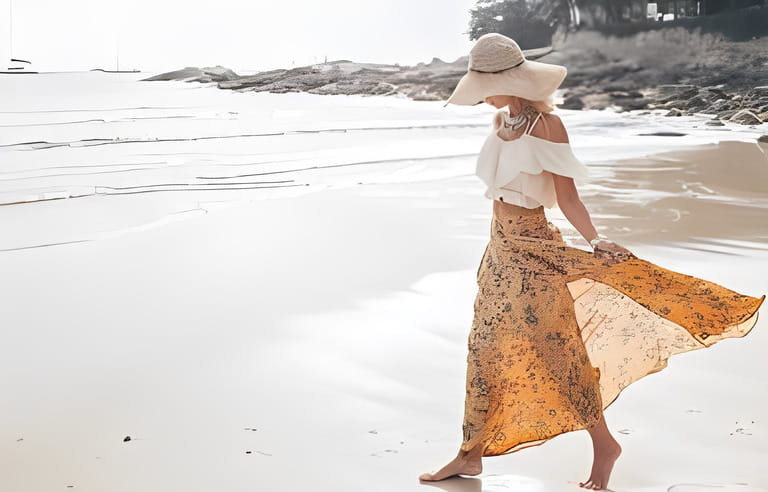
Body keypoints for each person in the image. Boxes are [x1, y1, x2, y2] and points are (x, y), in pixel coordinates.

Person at [419, 33, 765, 490]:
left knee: (556, 351)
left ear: (513, 80)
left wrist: (596, 238)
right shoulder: (503, 119)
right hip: (499, 248)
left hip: (534, 249)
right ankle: (469, 454)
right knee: (483, 350)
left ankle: (604, 445)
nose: (482, 94)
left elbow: (567, 195)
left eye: (487, 83)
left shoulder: (548, 127)